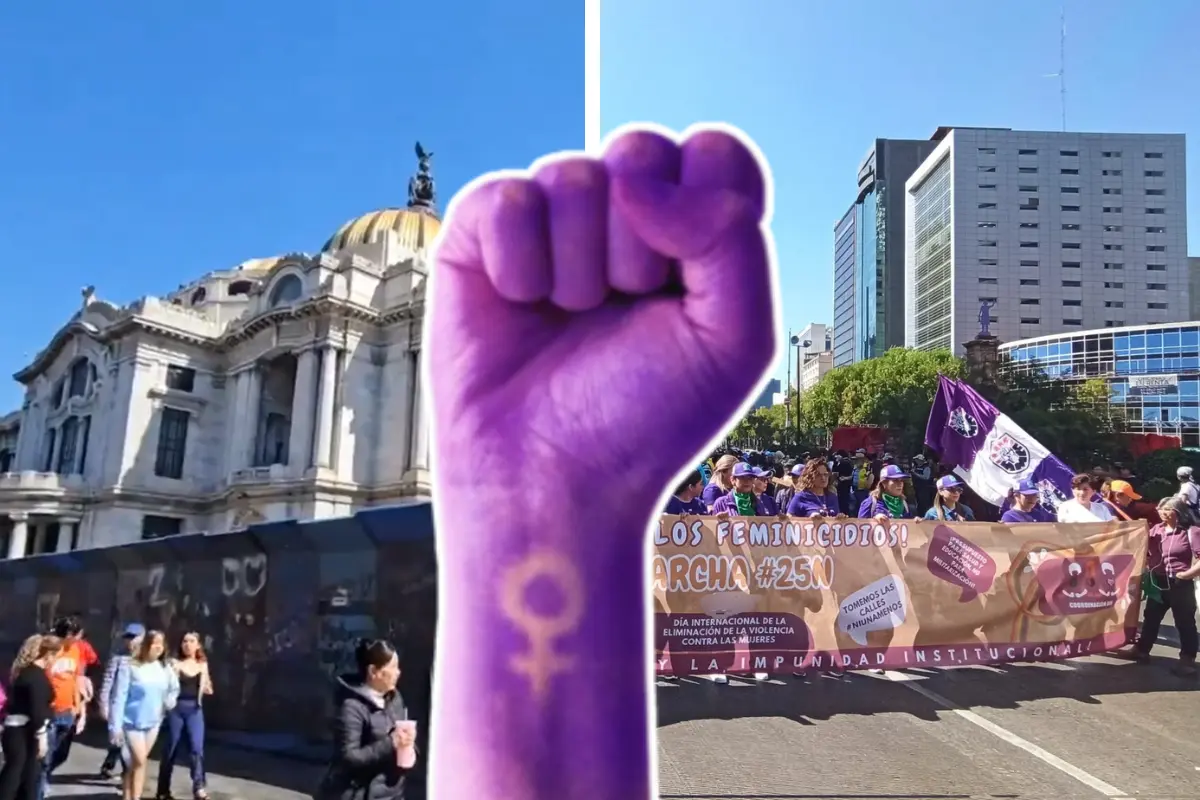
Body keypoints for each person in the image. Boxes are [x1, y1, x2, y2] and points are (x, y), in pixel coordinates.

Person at [315, 639, 415, 800]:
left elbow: (401, 738)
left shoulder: (394, 698)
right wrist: (391, 743)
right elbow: (349, 757)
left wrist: (409, 747)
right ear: (373, 671)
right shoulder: (351, 707)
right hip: (359, 793)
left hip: (392, 793)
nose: (398, 672)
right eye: (393, 667)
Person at [1122, 497, 1200, 676]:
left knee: (1185, 622)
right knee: (1151, 617)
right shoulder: (1156, 530)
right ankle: (1141, 650)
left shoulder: (1191, 532)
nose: (1162, 512)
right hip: (1157, 581)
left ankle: (1187, 659)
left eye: (1167, 509)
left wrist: (1187, 574)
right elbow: (1139, 546)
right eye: (1161, 509)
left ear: (1178, 511)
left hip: (1180, 583)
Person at [109, 630, 179, 800]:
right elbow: (119, 697)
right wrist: (115, 726)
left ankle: (128, 795)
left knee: (136, 763)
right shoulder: (131, 666)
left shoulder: (165, 667)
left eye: (161, 644)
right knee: (140, 761)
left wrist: (169, 701)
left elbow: (173, 688)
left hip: (153, 721)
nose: (158, 647)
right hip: (131, 722)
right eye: (154, 643)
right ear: (146, 645)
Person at [0, 635, 61, 800]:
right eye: (55, 656)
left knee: (23, 776)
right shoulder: (36, 676)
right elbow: (37, 709)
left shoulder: (27, 672)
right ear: (48, 654)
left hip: (19, 731)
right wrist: (41, 736)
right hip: (24, 731)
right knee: (17, 776)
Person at [156, 632, 213, 800]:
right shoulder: (175, 663)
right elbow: (166, 685)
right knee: (171, 748)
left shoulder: (202, 665)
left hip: (195, 710)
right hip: (176, 709)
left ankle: (199, 787)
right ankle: (163, 789)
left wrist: (207, 686)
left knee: (196, 749)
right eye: (184, 641)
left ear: (198, 645)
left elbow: (208, 687)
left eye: (191, 641)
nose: (187, 644)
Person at [42, 616, 88, 794]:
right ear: (69, 634)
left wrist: (79, 707)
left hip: (68, 709)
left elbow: (77, 679)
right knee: (46, 753)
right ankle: (40, 782)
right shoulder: (49, 649)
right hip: (50, 709)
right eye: (78, 635)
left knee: (61, 754)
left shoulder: (75, 650)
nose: (80, 639)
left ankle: (43, 775)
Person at [98, 624, 145, 780]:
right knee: (119, 741)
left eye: (134, 637)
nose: (130, 641)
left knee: (132, 745)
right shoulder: (118, 658)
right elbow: (107, 683)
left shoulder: (146, 661)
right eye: (128, 638)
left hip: (138, 710)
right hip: (119, 707)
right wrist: (103, 705)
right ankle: (126, 776)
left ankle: (124, 774)